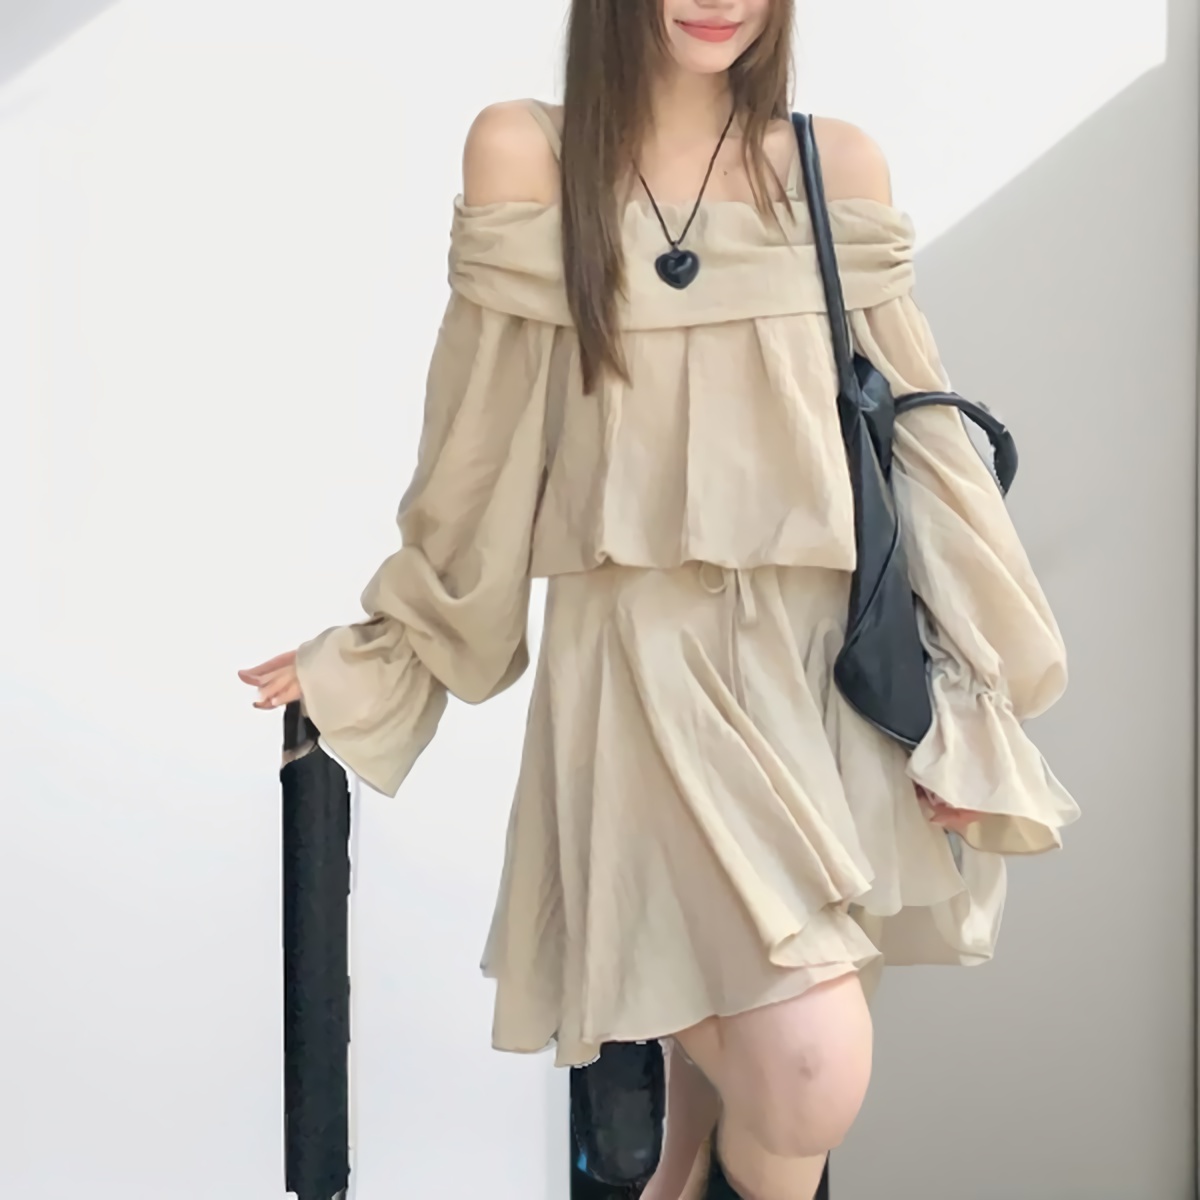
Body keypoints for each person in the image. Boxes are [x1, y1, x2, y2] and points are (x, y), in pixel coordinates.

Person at [239, 1, 1080, 1197]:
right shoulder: (526, 153)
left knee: (758, 1118)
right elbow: (480, 440)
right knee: (809, 1073)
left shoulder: (835, 166)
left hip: (820, 671)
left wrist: (969, 703)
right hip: (642, 664)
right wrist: (395, 646)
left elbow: (922, 452)